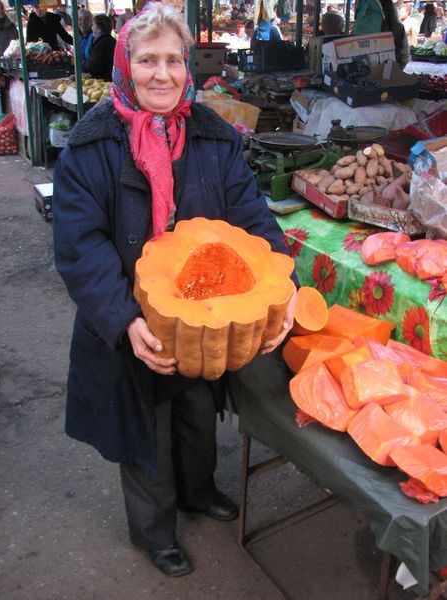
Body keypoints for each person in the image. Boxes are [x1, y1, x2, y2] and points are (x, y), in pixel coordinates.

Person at [53, 3, 297, 580]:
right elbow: (80, 248)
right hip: (128, 322)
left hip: (203, 310)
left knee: (195, 410)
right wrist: (123, 320)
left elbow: (251, 220)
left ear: (187, 67)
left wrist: (282, 285)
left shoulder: (214, 138)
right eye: (147, 61)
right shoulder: (90, 149)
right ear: (124, 67)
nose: (161, 74)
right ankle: (155, 532)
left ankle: (197, 491)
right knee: (146, 428)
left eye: (172, 60)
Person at [84, 14, 116, 81]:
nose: (91, 27)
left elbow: (93, 66)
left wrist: (81, 64)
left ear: (99, 28)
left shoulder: (102, 43)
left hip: (103, 80)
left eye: (93, 25)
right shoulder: (110, 40)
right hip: (108, 78)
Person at [379, 0, 409, 67]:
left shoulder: (372, 27)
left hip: (375, 69)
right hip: (394, 66)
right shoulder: (399, 27)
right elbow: (405, 54)